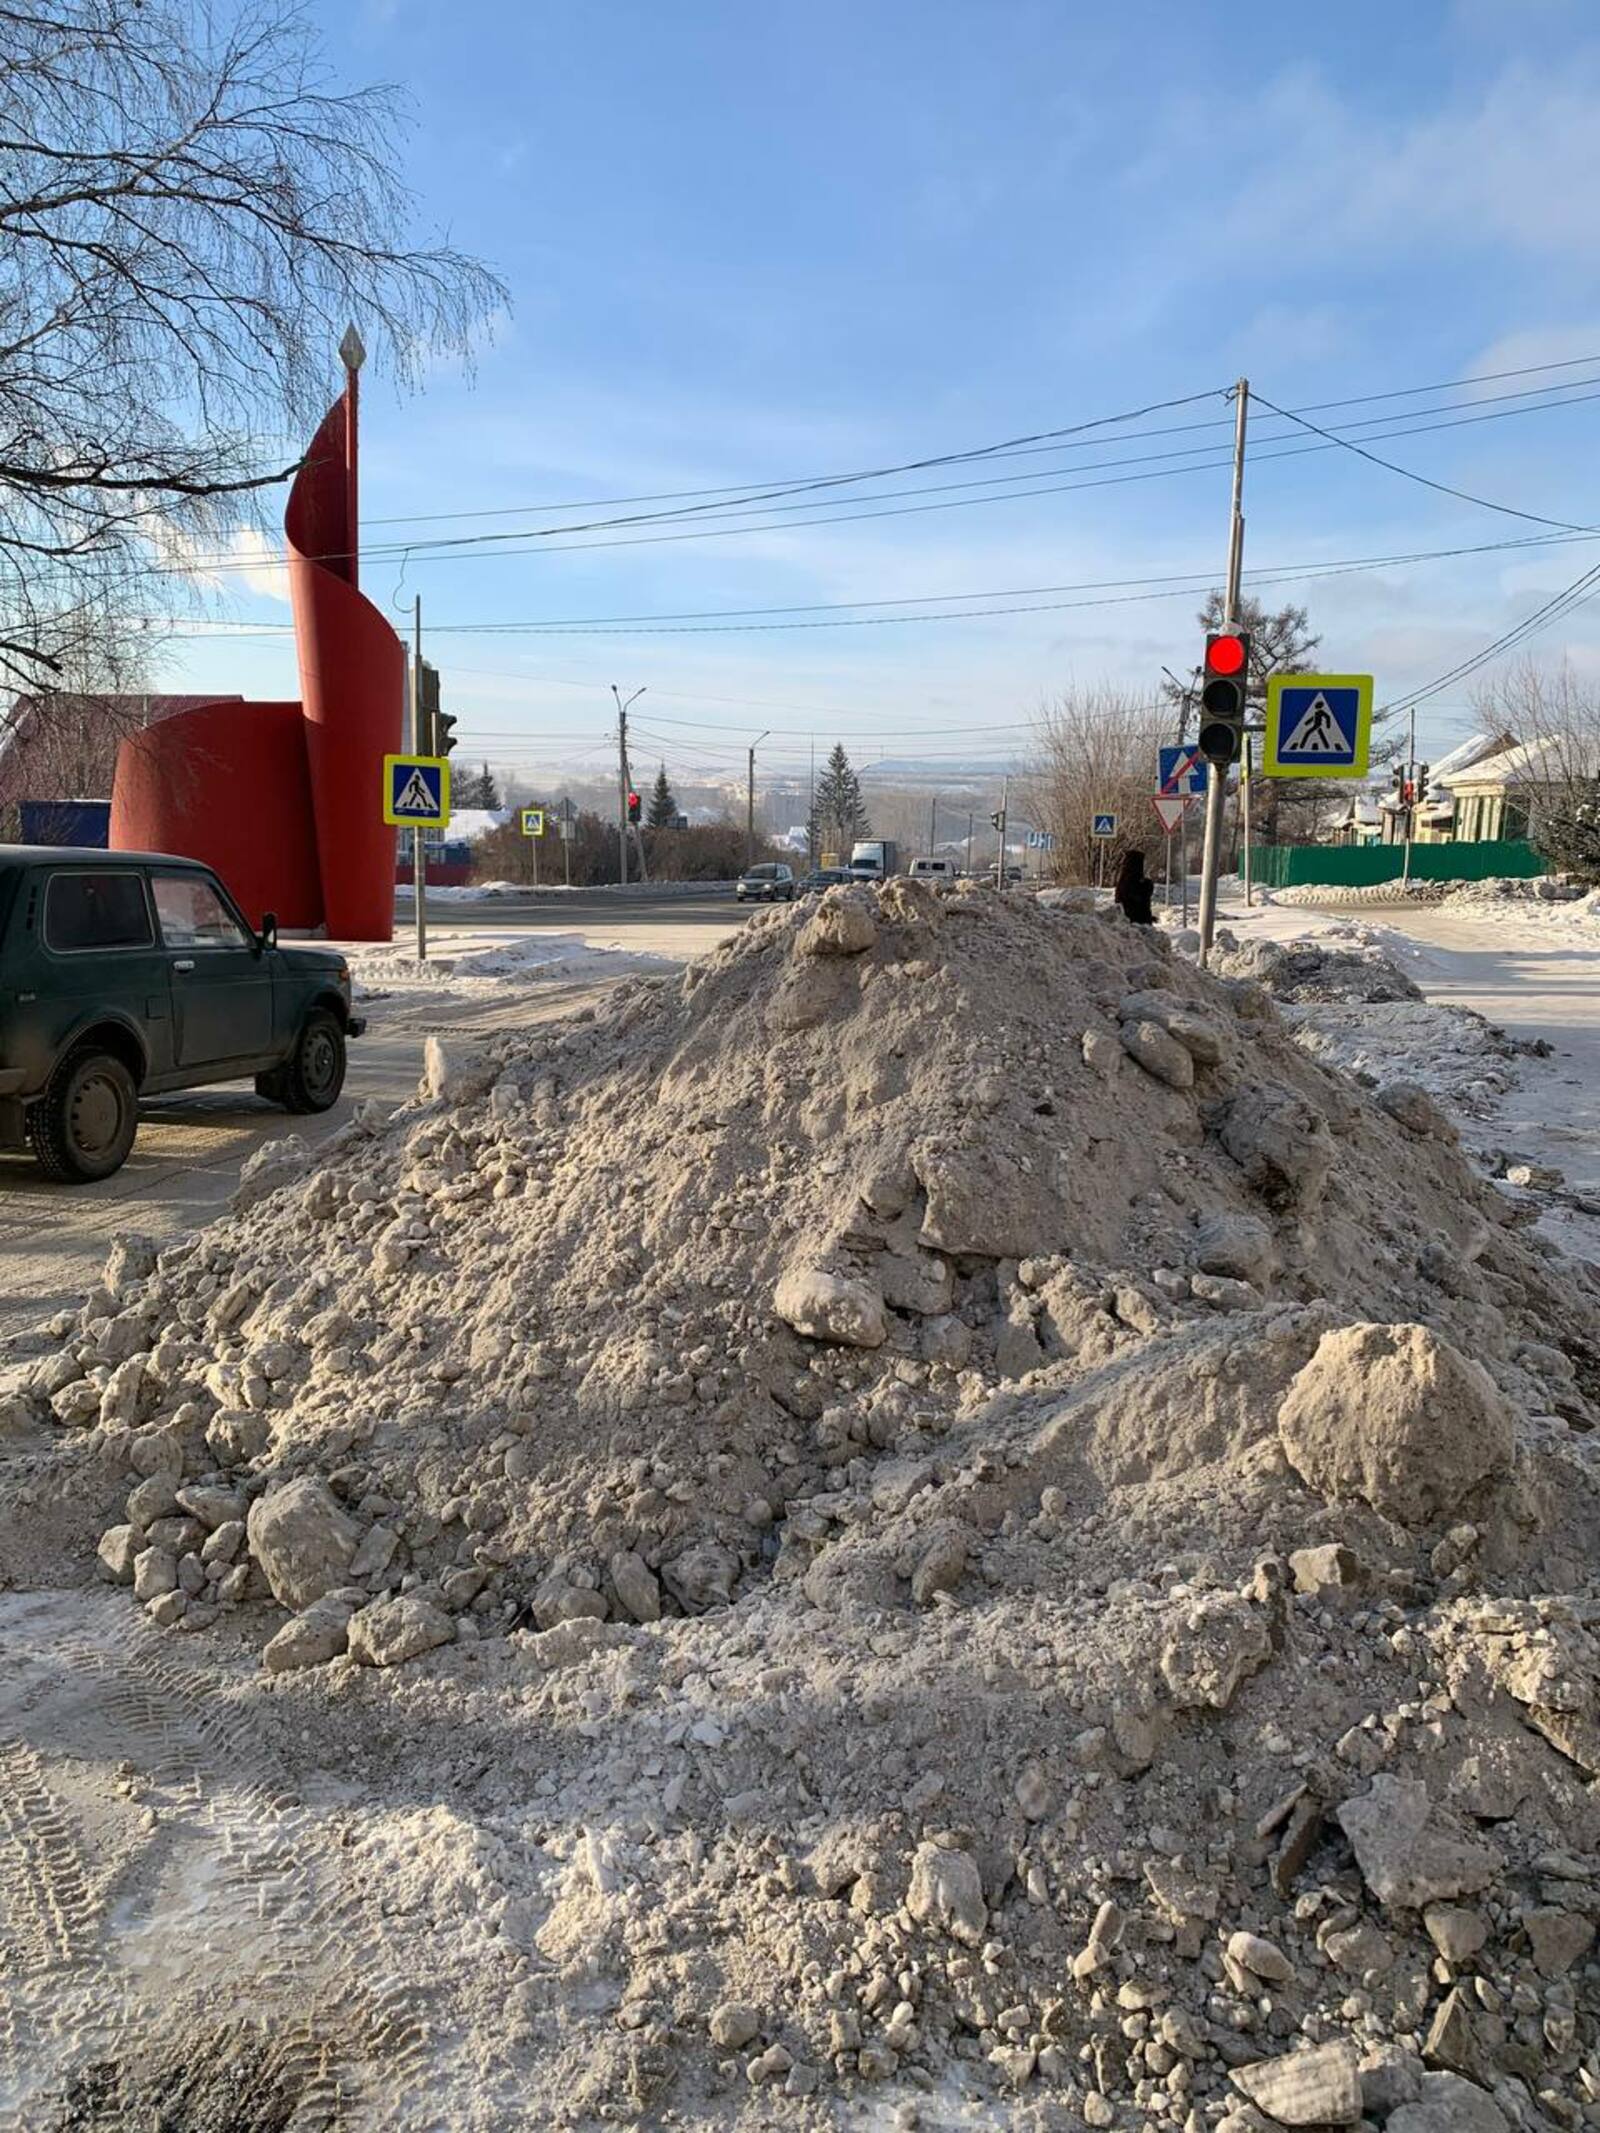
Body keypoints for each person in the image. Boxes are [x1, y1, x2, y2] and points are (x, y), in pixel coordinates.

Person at [1113, 846, 1155, 925]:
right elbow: (1139, 896)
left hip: (1128, 920)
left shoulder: (1125, 877)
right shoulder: (1132, 879)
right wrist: (1148, 884)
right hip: (1136, 921)